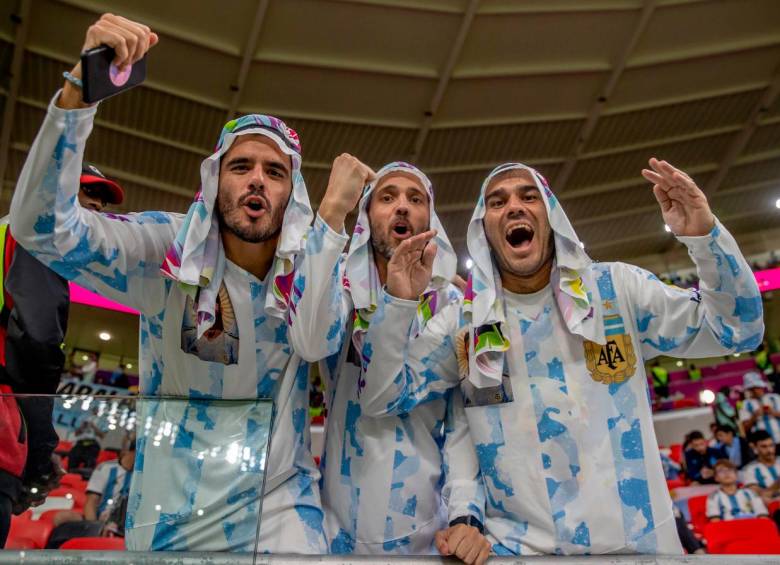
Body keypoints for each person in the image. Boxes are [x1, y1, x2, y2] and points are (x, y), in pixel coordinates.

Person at [9, 13, 327, 553]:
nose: (256, 178)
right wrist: (79, 93)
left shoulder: (313, 276)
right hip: (175, 528)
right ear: (212, 180)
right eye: (241, 165)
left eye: (275, 172)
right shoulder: (167, 251)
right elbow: (43, 230)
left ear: (292, 197)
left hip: (283, 524)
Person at [356, 159, 763, 554]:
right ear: (484, 231)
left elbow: (736, 328)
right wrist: (399, 302)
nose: (514, 206)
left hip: (635, 547)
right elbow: (381, 396)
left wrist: (705, 237)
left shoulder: (616, 290)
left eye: (529, 197)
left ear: (551, 217)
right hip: (522, 553)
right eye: (497, 202)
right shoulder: (464, 324)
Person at [290, 158, 489, 561]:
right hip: (334, 533)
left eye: (415, 199)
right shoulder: (339, 286)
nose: (402, 206)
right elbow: (310, 342)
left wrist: (465, 513)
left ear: (429, 218)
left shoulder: (453, 306)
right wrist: (330, 211)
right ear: (365, 215)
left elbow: (462, 423)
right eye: (387, 197)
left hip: (427, 539)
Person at [0, 163, 124, 546]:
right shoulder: (38, 235)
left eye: (102, 205)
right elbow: (36, 345)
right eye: (88, 197)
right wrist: (39, 452)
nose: (97, 211)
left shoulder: (8, 231)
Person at [47, 443, 136, 548]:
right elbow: (91, 501)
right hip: (99, 520)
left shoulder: (144, 476)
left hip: (125, 525)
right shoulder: (107, 468)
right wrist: (95, 525)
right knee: (61, 518)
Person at [739, 371, 780, 444]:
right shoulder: (745, 404)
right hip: (762, 444)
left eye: (757, 387)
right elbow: (745, 428)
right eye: (752, 388)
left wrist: (773, 412)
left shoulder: (775, 398)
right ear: (749, 390)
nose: (756, 390)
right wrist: (754, 416)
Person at [742, 430, 780, 504]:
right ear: (754, 448)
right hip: (771, 506)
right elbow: (759, 495)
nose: (769, 450)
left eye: (771, 445)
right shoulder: (749, 469)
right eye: (764, 446)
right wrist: (777, 484)